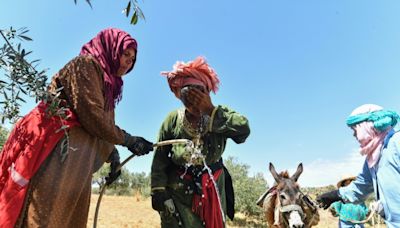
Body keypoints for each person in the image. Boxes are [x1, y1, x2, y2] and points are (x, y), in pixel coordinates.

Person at [0, 28, 154, 228]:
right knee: (42, 216)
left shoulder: (109, 85)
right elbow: (92, 114)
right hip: (53, 149)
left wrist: (113, 155)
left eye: (133, 59)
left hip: (75, 163)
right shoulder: (85, 65)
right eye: (126, 54)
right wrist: (128, 140)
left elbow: (100, 126)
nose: (129, 62)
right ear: (111, 48)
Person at [151, 56, 250, 228]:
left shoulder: (219, 114)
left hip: (212, 191)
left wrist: (209, 110)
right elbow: (160, 159)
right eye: (188, 95)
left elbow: (243, 130)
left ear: (207, 93)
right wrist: (158, 190)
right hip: (178, 195)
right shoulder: (173, 120)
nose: (194, 102)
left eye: (199, 93)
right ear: (180, 96)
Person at [317, 104, 400, 228]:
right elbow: (360, 188)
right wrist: (336, 195)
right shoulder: (372, 161)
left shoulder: (396, 143)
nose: (354, 135)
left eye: (355, 130)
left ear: (367, 126)